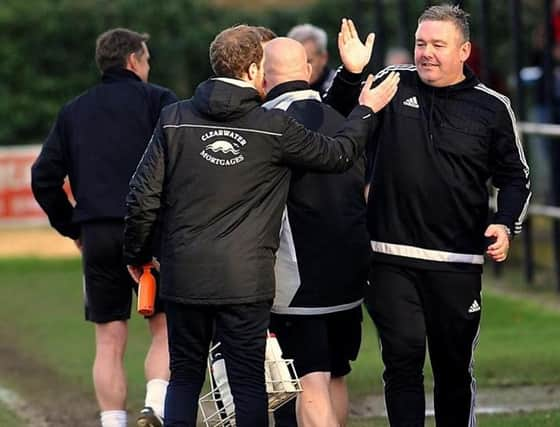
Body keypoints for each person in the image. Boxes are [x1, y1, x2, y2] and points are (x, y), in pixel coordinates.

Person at [123, 25, 398, 427]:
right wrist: (366, 108)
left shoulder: (174, 118)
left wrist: (139, 254)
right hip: (247, 278)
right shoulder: (270, 126)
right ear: (254, 70)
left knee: (184, 378)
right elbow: (337, 151)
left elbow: (141, 197)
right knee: (249, 382)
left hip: (184, 273)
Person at [326, 7, 531, 427]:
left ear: (464, 50)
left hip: (457, 263)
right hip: (389, 256)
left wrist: (504, 224)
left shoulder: (492, 108)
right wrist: (349, 75)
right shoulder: (391, 83)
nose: (427, 53)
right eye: (422, 43)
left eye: (438, 45)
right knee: (402, 363)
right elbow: (338, 118)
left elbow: (516, 178)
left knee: (453, 370)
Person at [31, 28, 177, 427]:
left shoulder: (74, 110)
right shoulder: (160, 101)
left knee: (109, 341)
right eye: (146, 59)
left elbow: (43, 178)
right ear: (133, 60)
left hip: (97, 234)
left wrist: (72, 227)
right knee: (164, 328)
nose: (148, 67)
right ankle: (156, 406)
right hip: (151, 233)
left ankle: (114, 423)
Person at [262, 38, 369, 427]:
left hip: (298, 281)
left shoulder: (266, 126)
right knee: (336, 374)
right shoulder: (341, 119)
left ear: (261, 76)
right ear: (307, 70)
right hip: (351, 274)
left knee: (311, 382)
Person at [288, 24, 337, 96]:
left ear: (323, 58)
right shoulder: (283, 91)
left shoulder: (340, 90)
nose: (302, 68)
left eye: (308, 61)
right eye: (296, 62)